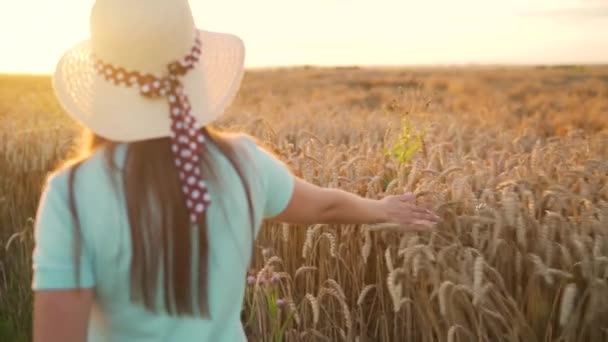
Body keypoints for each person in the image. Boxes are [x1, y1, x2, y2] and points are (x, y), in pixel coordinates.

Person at [31, 1, 441, 341]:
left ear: (104, 84)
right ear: (194, 72)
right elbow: (323, 208)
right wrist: (382, 208)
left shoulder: (72, 193)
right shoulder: (244, 162)